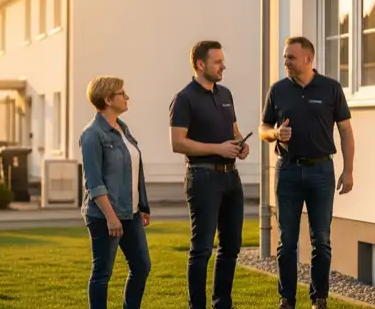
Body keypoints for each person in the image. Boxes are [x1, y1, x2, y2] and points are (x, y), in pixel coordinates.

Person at [259, 36, 355, 309]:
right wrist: (276, 133)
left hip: (321, 172)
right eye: (285, 56)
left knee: (321, 240)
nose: (286, 61)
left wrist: (348, 171)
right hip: (287, 171)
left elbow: (346, 130)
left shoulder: (330, 88)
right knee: (286, 240)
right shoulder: (277, 90)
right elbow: (264, 128)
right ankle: (286, 300)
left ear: (308, 59)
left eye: (291, 57)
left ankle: (319, 299)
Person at [169, 40, 251, 309]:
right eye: (218, 61)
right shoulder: (184, 99)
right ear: (200, 64)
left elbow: (234, 131)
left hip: (231, 178)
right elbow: (178, 143)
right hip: (202, 178)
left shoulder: (225, 94)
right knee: (202, 248)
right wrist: (218, 148)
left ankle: (222, 304)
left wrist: (241, 145)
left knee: (231, 246)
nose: (223, 66)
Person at [80, 76, 152, 309]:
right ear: (108, 99)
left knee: (141, 266)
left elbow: (134, 169)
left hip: (129, 213)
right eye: (122, 93)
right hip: (104, 215)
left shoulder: (122, 128)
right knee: (102, 272)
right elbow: (94, 182)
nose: (127, 96)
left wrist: (141, 206)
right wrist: (111, 217)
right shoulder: (92, 134)